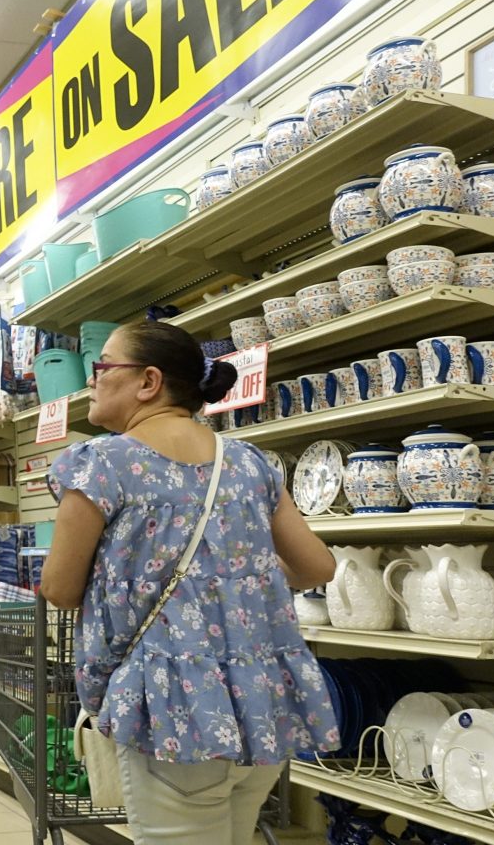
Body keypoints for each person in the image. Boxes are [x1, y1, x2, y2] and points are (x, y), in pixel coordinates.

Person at [41, 321, 339, 845]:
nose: (92, 380)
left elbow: (61, 588)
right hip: (261, 707)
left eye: (102, 367)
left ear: (148, 381)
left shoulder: (101, 465)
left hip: (174, 718)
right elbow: (317, 568)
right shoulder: (248, 463)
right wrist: (234, 581)